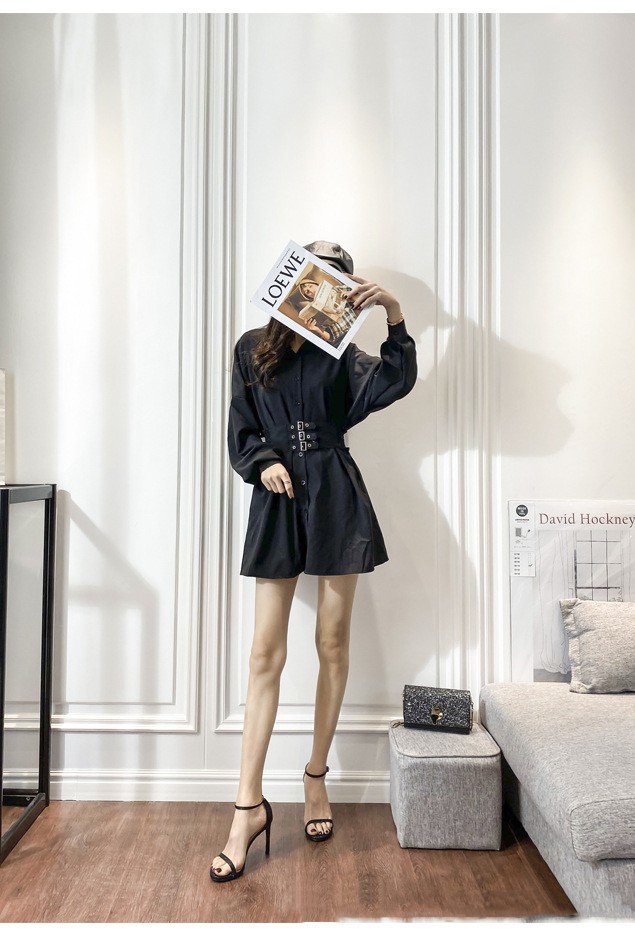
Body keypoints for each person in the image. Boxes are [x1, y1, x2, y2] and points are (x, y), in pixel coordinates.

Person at [211, 240, 417, 882]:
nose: (327, 274)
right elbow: (240, 429)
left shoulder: (341, 355)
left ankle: (315, 777)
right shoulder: (252, 347)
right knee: (263, 654)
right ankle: (247, 807)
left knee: (331, 641)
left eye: (339, 271)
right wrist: (262, 462)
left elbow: (394, 381)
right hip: (277, 499)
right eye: (317, 264)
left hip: (335, 496)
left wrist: (394, 316)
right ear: (295, 274)